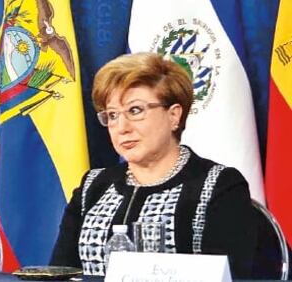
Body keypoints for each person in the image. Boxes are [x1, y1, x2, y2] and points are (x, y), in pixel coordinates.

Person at [50, 52, 256, 277]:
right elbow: (60, 271)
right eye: (112, 115)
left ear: (174, 115)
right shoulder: (93, 185)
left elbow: (228, 276)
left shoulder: (217, 184)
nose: (122, 127)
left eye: (135, 111)